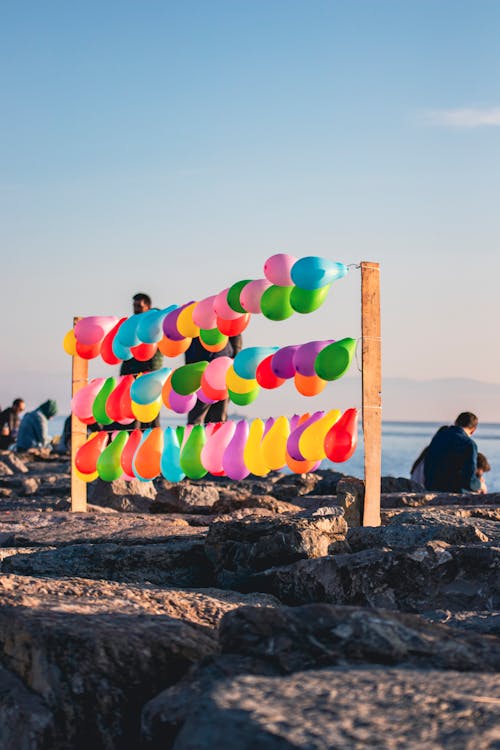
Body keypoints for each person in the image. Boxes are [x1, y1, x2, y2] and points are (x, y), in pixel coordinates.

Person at [120, 293, 163, 429]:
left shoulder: (153, 322)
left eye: (139, 306)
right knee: (133, 412)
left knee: (151, 411)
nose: (136, 309)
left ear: (148, 307)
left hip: (150, 371)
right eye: (134, 306)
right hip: (132, 372)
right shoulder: (133, 324)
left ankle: (154, 443)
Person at [185, 334, 243, 425]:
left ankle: (213, 437)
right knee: (200, 417)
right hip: (201, 367)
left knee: (216, 418)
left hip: (222, 365)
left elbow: (235, 332)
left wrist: (236, 358)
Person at [424, 412, 481, 493]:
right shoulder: (468, 444)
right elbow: (469, 481)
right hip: (453, 490)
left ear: (456, 422)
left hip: (431, 487)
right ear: (473, 430)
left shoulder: (439, 436)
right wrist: (479, 484)